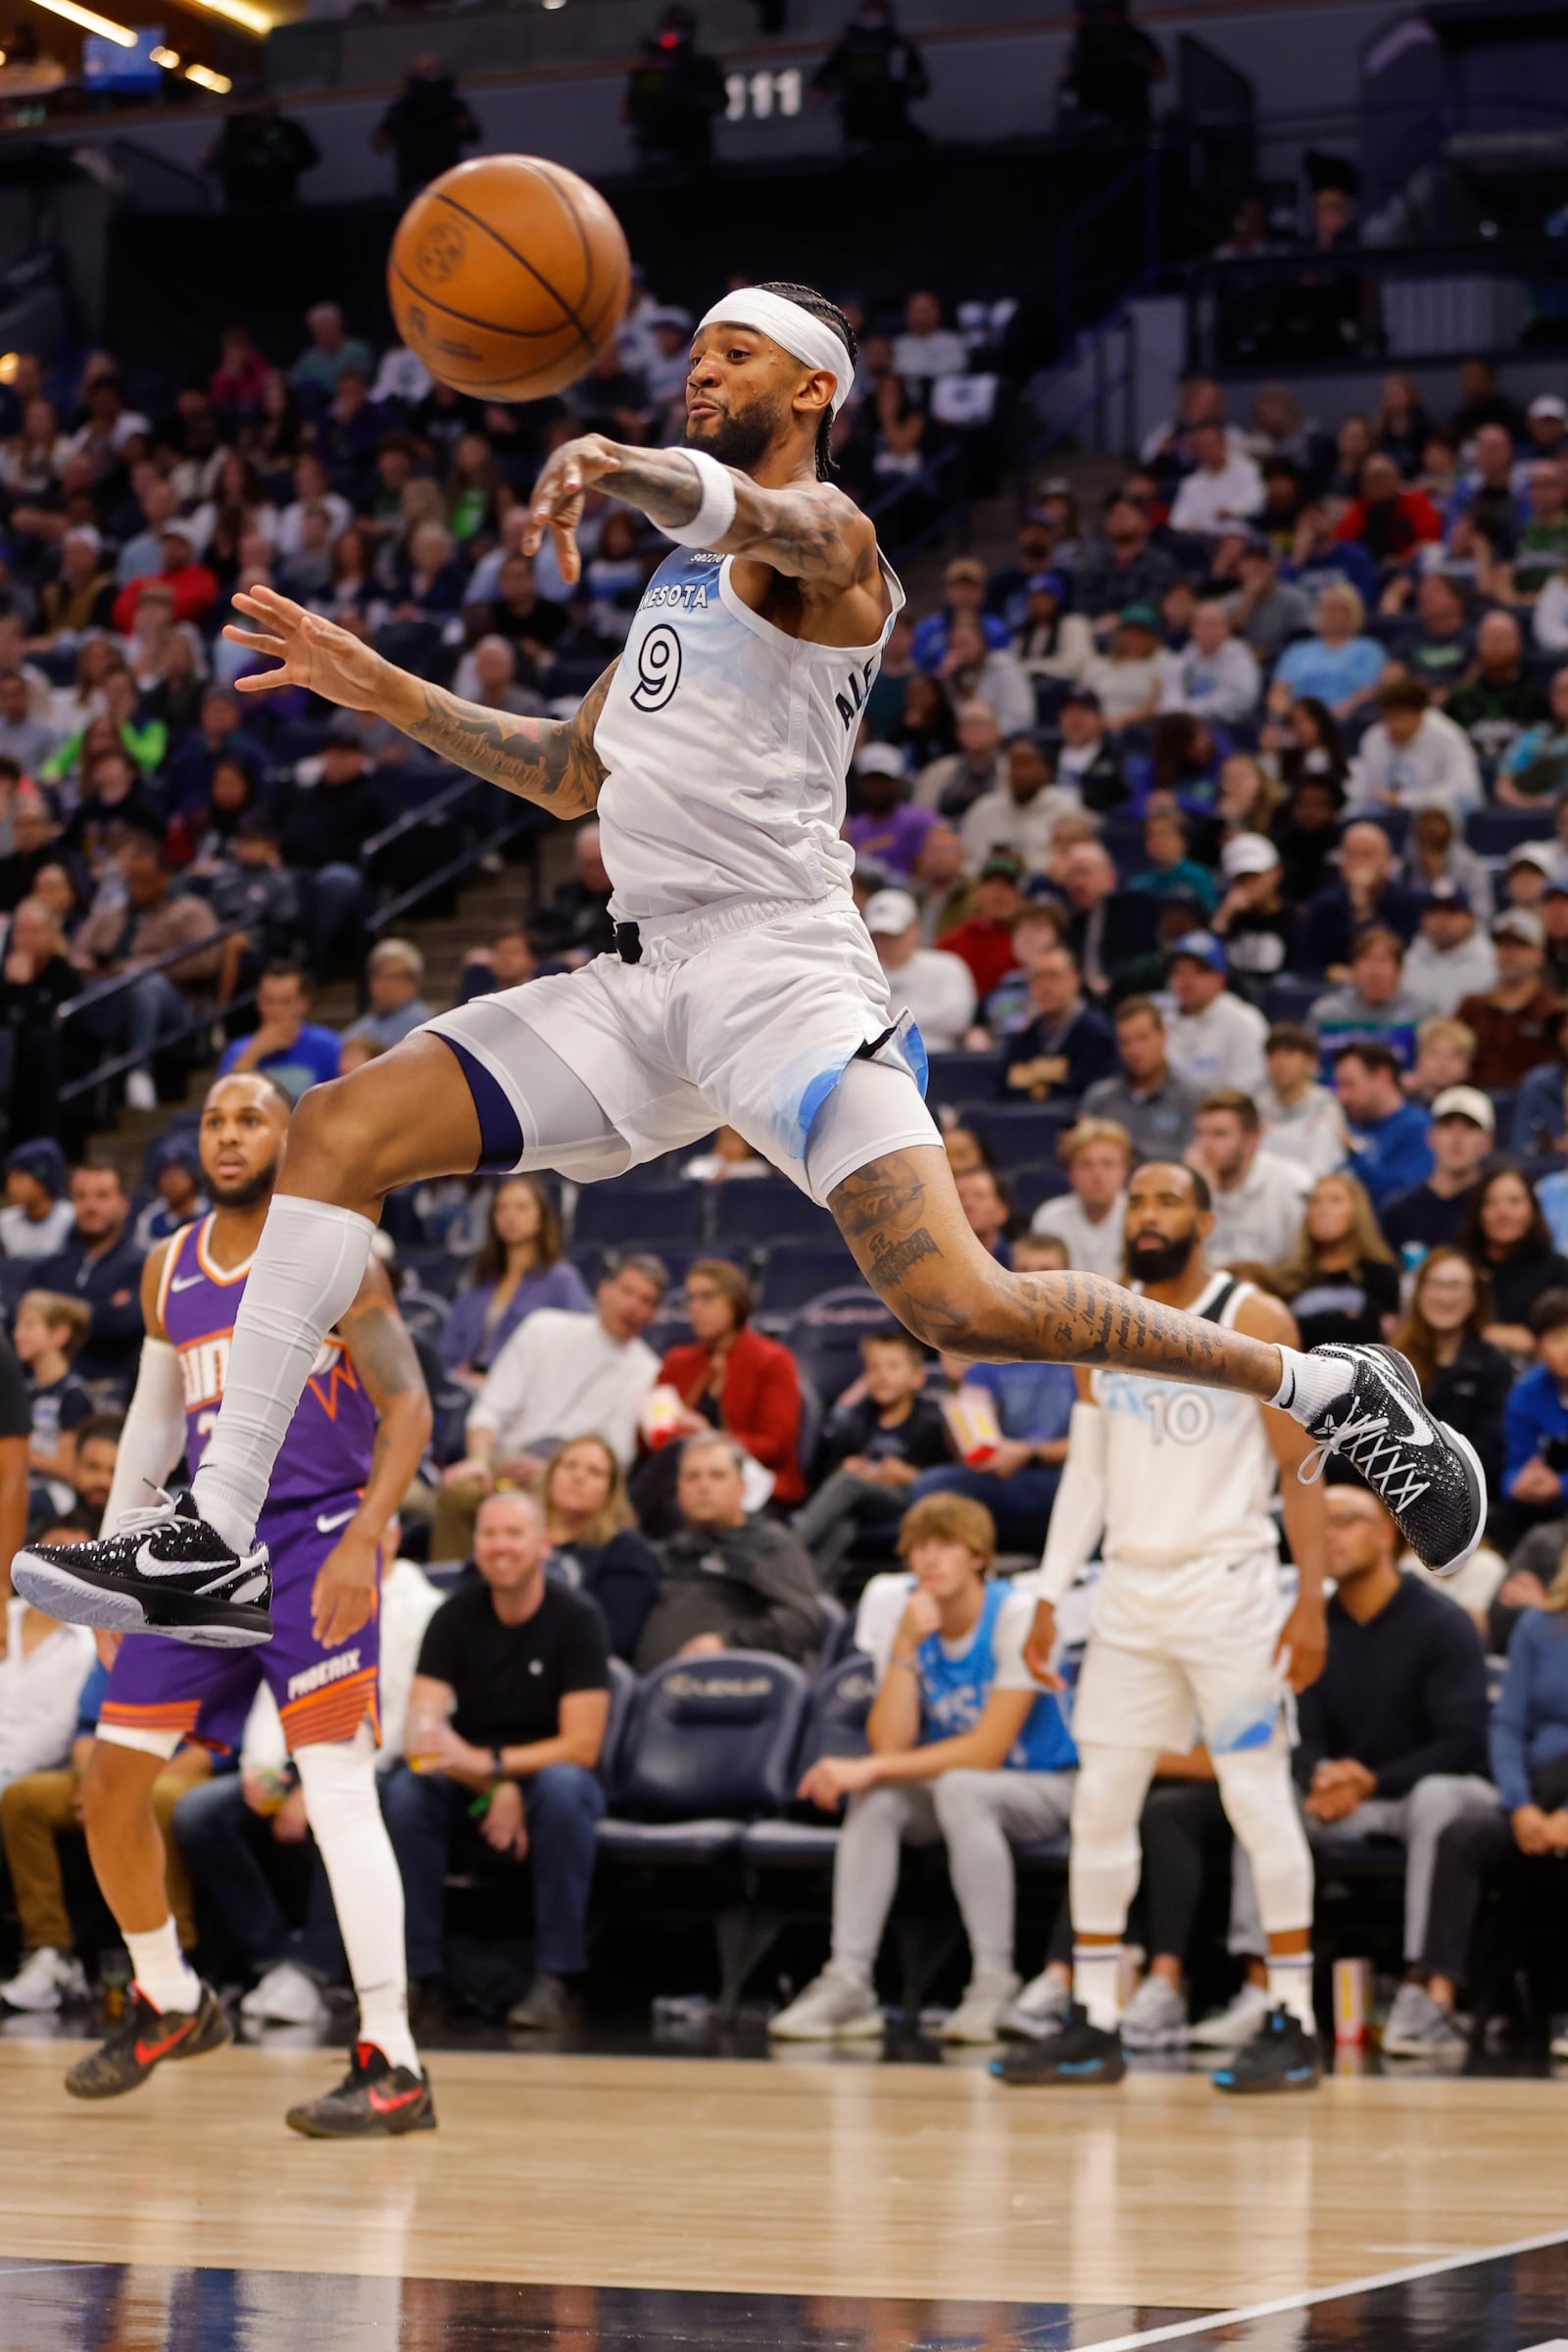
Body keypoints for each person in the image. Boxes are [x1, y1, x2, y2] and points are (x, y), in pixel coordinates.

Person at [20, 283, 1486, 1654]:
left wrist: (629, 460)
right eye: (694, 353)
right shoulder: (675, 592)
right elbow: (565, 773)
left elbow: (800, 533)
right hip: (639, 984)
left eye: (731, 353)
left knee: (959, 1305)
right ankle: (214, 1535)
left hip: (781, 972)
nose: (699, 368)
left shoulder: (829, 552)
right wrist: (380, 684)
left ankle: (1333, 1386)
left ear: (811, 386)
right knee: (334, 1128)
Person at [42, 1073, 435, 2135]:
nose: (228, 1135)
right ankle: (170, 1994)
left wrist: (366, 1534)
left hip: (316, 1538)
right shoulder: (169, 1263)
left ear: (290, 1134)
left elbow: (409, 1407)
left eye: (250, 1117)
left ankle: (392, 2055)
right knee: (109, 1785)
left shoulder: (339, 1244)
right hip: (206, 1550)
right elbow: (150, 1436)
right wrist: (120, 1572)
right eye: (214, 1119)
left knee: (338, 1787)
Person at [997, 1162, 1327, 2093]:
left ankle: (1294, 2016)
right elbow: (1089, 1475)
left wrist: (1311, 1598)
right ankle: (1094, 2019)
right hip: (1131, 1596)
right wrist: (1053, 1593)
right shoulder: (1098, 1319)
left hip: (1231, 1591)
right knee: (1101, 1802)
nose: (1148, 1214)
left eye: (1167, 1200)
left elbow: (1302, 1467)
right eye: (1137, 1200)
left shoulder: (1256, 1317)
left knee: (1257, 1799)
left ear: (1206, 1220)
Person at [769, 1493, 1076, 2044]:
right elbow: (890, 1741)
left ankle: (993, 1981)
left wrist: (871, 1766)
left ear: (979, 1557)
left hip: (1051, 1784)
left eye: (946, 1546)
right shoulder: (906, 1614)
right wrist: (906, 1648)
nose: (929, 1559)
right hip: (961, 1787)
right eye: (919, 1547)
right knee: (881, 1797)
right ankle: (849, 1982)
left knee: (958, 1785)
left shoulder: (1017, 1615)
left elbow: (986, 1749)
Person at [1258, 1483, 1494, 2061]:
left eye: (1344, 1520)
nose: (1327, 1534)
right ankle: (1260, 1987)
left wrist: (1370, 1781)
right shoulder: (1310, 1624)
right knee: (1262, 1798)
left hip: (1415, 1793)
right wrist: (1319, 1775)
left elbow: (1463, 1743)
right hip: (1337, 1801)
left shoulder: (1444, 1623)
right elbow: (1297, 1732)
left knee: (1441, 1800)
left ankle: (1426, 1991)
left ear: (1386, 1534)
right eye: (1320, 1522)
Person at [385, 1488, 610, 2033]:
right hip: (471, 1779)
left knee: (560, 1786)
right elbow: (422, 1734)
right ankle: (419, 1977)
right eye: (489, 1534)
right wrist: (491, 1783)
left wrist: (496, 1770)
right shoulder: (453, 1616)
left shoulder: (578, 1619)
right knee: (404, 1789)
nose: (500, 1546)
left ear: (543, 1545)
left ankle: (558, 1978)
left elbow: (582, 1746)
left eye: (514, 1534)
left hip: (547, 1777)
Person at [1414, 1560, 1568, 2049]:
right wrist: (1520, 1805)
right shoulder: (1539, 1625)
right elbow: (1507, 1723)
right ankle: (1436, 2003)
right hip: (1534, 1798)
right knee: (1461, 1835)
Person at [434, 1256, 664, 1558]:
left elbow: (617, 1457)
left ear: (654, 1314)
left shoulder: (650, 1372)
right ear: (604, 1289)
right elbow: (490, 1409)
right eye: (627, 1291)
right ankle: (450, 1590)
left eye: (646, 1301)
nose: (633, 1306)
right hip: (505, 1464)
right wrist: (479, 1459)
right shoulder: (543, 1328)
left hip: (570, 1480)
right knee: (460, 1493)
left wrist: (553, 1473)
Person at [631, 1257, 805, 1534]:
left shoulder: (772, 1360)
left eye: (707, 1297)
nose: (695, 1308)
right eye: (690, 1299)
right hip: (681, 1480)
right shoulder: (678, 1361)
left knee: (681, 1458)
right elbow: (648, 1445)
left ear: (735, 1299)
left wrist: (709, 1437)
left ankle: (619, 1527)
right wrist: (656, 1426)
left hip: (752, 1482)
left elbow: (775, 1446)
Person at [635, 1433, 824, 1670]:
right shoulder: (668, 1550)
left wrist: (728, 1642)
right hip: (654, 1691)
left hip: (733, 1688)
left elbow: (802, 1620)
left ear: (741, 1487)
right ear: (679, 1491)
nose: (703, 1486)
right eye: (692, 1477)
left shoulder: (768, 1544)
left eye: (717, 1475)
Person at [793, 1327, 951, 1583]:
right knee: (842, 1529)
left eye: (892, 1367)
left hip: (906, 1502)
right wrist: (846, 1467)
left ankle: (787, 1547)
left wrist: (911, 1476)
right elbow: (828, 1477)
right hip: (861, 1506)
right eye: (873, 1368)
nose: (882, 1376)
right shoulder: (855, 1420)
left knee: (847, 1484)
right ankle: (814, 1596)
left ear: (917, 1377)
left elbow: (949, 1481)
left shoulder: (931, 1423)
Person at [437, 1176, 591, 1383]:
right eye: (502, 1208)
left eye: (522, 1207)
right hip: (467, 1388)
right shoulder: (479, 1278)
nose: (511, 1216)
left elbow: (579, 1345)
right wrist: (456, 1375)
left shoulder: (561, 1278)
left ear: (541, 1216)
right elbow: (450, 1344)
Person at [1392, 1248, 1512, 1501]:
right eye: (1436, 1284)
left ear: (1474, 1296)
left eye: (1456, 1286)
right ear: (1419, 1292)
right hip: (1392, 1490)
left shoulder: (1491, 1364)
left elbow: (1488, 1450)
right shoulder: (1391, 1359)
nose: (1445, 1297)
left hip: (1465, 1497)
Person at [536, 1435, 662, 1663]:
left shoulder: (626, 1551)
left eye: (594, 1472)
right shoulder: (516, 1536)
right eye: (569, 1466)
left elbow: (613, 1638)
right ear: (550, 1475)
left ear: (610, 1491)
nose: (578, 1476)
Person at [35, 1160, 145, 1391]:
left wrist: (59, 1315)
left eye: (102, 1196)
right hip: (47, 1389)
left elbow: (127, 1323)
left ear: (124, 1204)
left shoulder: (142, 1265)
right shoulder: (50, 1267)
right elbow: (28, 1318)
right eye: (81, 1196)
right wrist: (101, 1312)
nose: (90, 1206)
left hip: (112, 1392)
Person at [1271, 1171, 1399, 1350]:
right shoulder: (1287, 1276)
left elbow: (1374, 1334)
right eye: (1314, 1201)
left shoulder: (1381, 1274)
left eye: (1335, 1200)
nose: (1322, 1210)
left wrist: (1308, 1325)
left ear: (1357, 1210)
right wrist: (1344, 1319)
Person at [1188, 1089, 1310, 1267]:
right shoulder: (1192, 1186)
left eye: (1219, 1134)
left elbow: (1304, 1262)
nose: (1205, 1145)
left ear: (1251, 1139)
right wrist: (1201, 1196)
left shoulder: (1291, 1183)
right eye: (1200, 1133)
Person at [1460, 1165, 1568, 1360]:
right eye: (1491, 1202)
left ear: (1533, 1209)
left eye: (1514, 1201)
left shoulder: (1559, 1269)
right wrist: (1486, 1333)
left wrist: (1535, 1344)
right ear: (1478, 1212)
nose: (1503, 1212)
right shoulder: (1460, 1268)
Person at [1080, 995, 1200, 1161]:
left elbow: (1195, 1158)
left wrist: (1130, 1154)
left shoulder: (1192, 1098)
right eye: (1125, 1042)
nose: (1134, 1050)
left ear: (1163, 1036)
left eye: (1142, 1038)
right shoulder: (1099, 1099)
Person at [1382, 1087, 1494, 1259]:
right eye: (1447, 1126)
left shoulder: (1496, 1212)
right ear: (1431, 1137)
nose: (1458, 1138)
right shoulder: (1397, 1213)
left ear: (1488, 1142)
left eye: (1469, 1128)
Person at [862, 886, 976, 1054]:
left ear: (914, 929)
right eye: (878, 937)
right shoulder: (863, 974)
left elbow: (957, 1017)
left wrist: (893, 1015)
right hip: (882, 1061)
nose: (885, 944)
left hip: (941, 1060)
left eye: (893, 936)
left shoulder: (946, 965)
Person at [1456, 911, 1562, 1091]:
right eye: (1502, 946)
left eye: (1519, 946)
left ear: (1540, 954)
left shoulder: (1552, 1013)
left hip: (1529, 1106)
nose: (1509, 954)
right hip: (1474, 1104)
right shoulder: (1472, 1008)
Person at [1000, 947, 1117, 1107]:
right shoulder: (1023, 1041)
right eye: (1037, 978)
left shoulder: (1098, 1036)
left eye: (1054, 976)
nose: (1045, 986)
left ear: (1075, 979)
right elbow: (1004, 1095)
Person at [1347, 680, 1482, 818]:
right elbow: (1368, 792)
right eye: (1387, 716)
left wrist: (1405, 799)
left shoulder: (1448, 737)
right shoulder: (1374, 738)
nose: (1391, 725)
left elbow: (1468, 795)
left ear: (1419, 713)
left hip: (1435, 821)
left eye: (1398, 717)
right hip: (1388, 820)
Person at [809, 3, 930, 152]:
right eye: (870, 13)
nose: (873, 18)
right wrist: (820, 88)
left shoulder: (898, 47)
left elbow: (919, 83)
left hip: (890, 117)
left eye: (877, 13)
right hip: (856, 117)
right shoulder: (849, 47)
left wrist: (911, 85)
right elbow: (826, 73)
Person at [14, 1289, 93, 1513]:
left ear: (60, 1334)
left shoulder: (72, 1394)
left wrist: (17, 1454)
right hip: (22, 1484)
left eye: (29, 1326)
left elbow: (69, 1468)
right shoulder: (25, 1391)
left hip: (55, 1495)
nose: (18, 1335)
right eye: (18, 1326)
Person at [215, 962, 341, 1102]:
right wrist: (253, 1052)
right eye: (269, 1001)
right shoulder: (238, 1050)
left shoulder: (327, 1045)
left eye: (285, 1002)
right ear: (258, 1003)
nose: (276, 1011)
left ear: (304, 1003)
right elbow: (225, 1102)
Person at [1161, 932, 1268, 1097]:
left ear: (1220, 979)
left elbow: (1247, 1092)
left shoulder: (1244, 1022)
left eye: (1197, 972)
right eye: (1179, 972)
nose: (1185, 981)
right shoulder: (1161, 1022)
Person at [1332, 1042, 1434, 1207]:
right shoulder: (1351, 1126)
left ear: (1382, 1077)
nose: (1342, 1096)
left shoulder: (1419, 1129)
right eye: (1339, 1086)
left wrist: (1352, 1152)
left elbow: (1400, 1197)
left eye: (1349, 1084)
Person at [1028, 1118, 1130, 1280]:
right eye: (1086, 1164)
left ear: (1124, 1170)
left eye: (1108, 1164)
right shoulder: (1049, 1217)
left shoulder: (1138, 1216)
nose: (1097, 1175)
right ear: (1069, 1173)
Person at [372, 55, 479, 198]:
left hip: (447, 178)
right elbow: (381, 142)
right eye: (424, 72)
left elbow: (474, 134)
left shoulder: (453, 106)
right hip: (413, 181)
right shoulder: (402, 108)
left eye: (432, 71)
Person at [1255, 1023, 1347, 1180]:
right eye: (1273, 1054)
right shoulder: (1256, 1105)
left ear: (1311, 1063)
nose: (1280, 1062)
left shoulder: (1326, 1105)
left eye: (1289, 1054)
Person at [1402, 882, 1497, 1020]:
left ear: (1471, 919)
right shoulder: (1408, 961)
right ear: (1422, 919)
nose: (1442, 920)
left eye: (1451, 912)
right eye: (1434, 912)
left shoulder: (1492, 962)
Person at [0, 1138, 74, 1261]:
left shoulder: (73, 1220)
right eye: (9, 1178)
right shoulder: (5, 1222)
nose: (11, 1186)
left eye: (19, 1178)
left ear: (43, 1182)